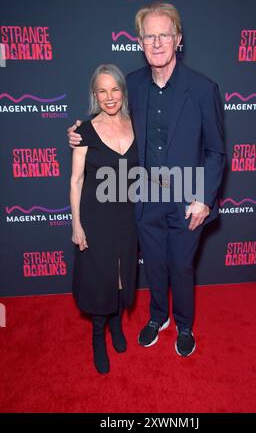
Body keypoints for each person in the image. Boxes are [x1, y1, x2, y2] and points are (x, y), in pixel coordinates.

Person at [69, 2, 226, 358]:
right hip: (143, 197)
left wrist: (203, 198)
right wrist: (77, 133)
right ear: (140, 41)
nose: (157, 43)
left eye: (164, 35)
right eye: (149, 36)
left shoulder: (202, 89)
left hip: (188, 197)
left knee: (182, 266)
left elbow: (216, 151)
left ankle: (184, 325)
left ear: (178, 39)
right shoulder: (132, 86)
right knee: (153, 263)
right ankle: (158, 317)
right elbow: (104, 119)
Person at [70, 64, 138, 374]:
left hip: (127, 214)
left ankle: (116, 325)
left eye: (114, 89)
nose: (109, 97)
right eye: (102, 90)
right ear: (94, 94)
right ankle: (98, 336)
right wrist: (76, 224)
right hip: (95, 217)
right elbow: (76, 180)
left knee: (122, 274)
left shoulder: (137, 123)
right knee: (100, 278)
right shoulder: (83, 131)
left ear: (122, 91)